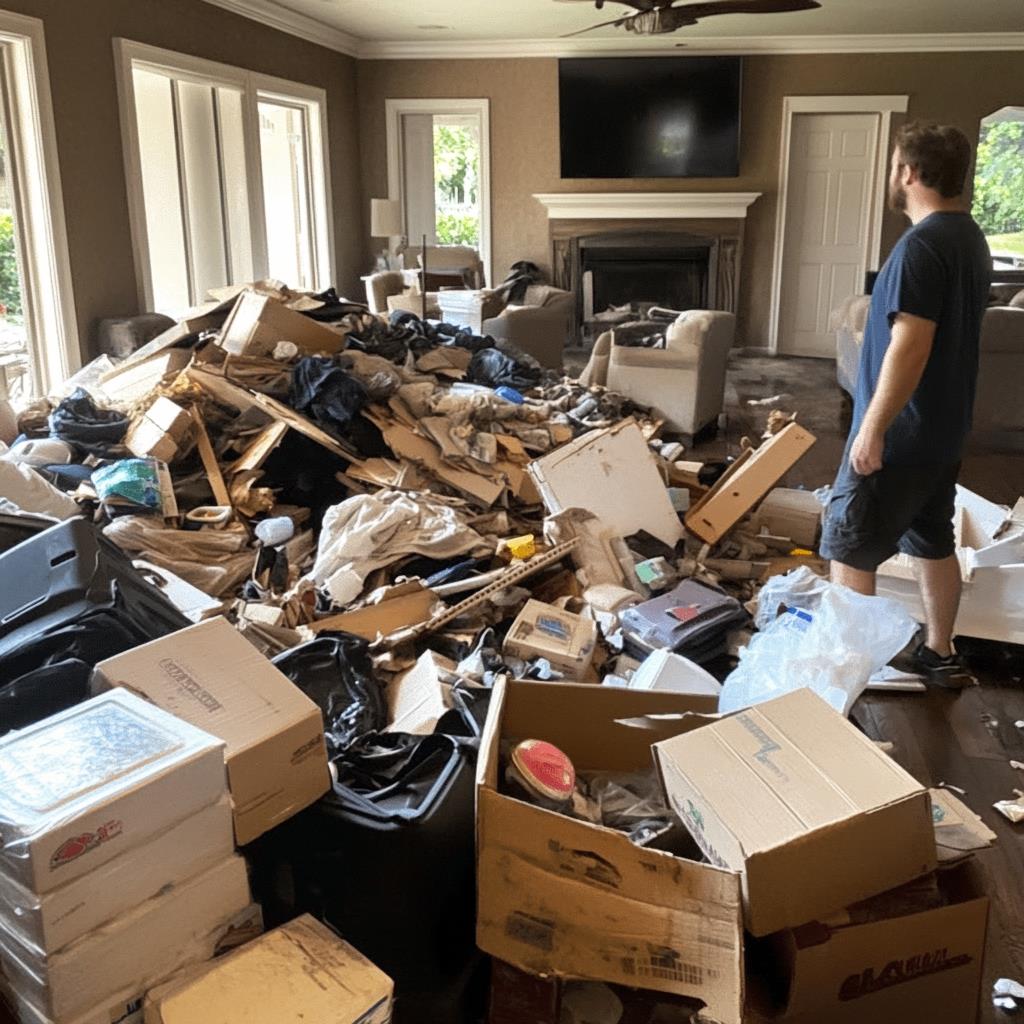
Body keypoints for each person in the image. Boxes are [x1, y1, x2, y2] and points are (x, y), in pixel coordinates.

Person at [819, 121, 992, 689]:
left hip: (903, 433)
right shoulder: (969, 238)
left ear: (909, 173)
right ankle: (940, 652)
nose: (892, 176)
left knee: (850, 542)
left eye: (896, 166)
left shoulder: (921, 245)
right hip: (942, 431)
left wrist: (872, 428)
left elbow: (911, 342)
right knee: (931, 538)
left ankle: (848, 675)